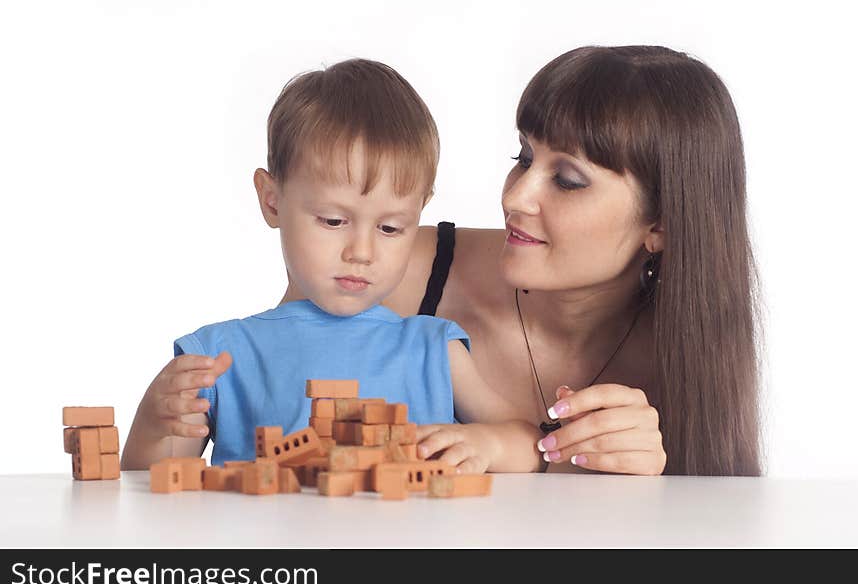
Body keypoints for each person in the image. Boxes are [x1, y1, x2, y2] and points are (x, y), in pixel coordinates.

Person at [337, 46, 763, 476]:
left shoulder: (688, 354)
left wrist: (651, 491)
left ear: (661, 225)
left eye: (567, 180)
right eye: (523, 158)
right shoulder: (396, 268)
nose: (514, 197)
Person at [120, 59, 542, 473]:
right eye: (334, 221)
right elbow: (153, 485)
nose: (361, 251)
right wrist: (154, 426)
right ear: (272, 201)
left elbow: (532, 444)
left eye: (391, 227)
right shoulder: (218, 357)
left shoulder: (433, 350)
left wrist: (488, 444)